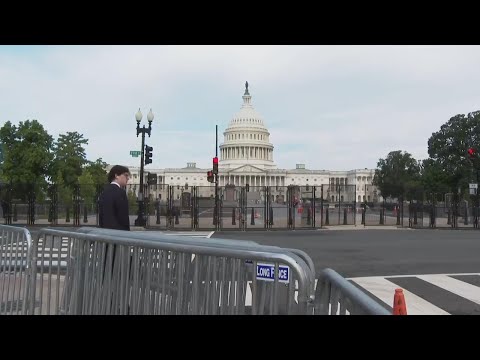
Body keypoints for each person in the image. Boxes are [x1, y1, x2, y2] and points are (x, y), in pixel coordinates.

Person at [98, 165, 131, 231]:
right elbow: (123, 217)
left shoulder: (104, 192)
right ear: (116, 176)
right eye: (126, 175)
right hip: (118, 233)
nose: (128, 178)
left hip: (105, 232)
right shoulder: (121, 193)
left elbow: (101, 216)